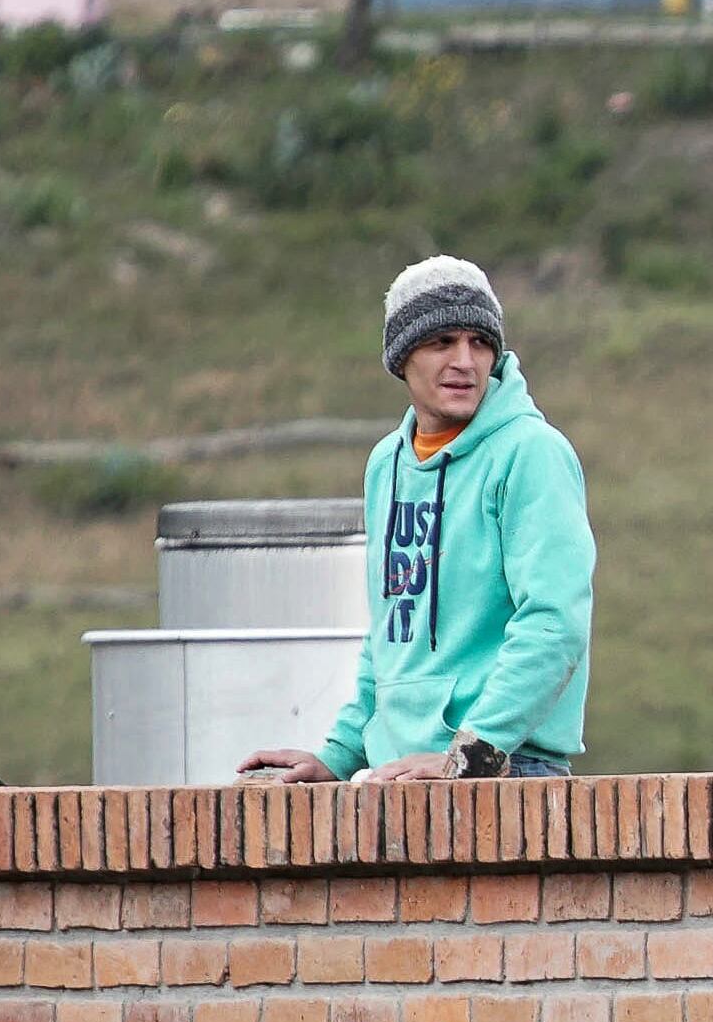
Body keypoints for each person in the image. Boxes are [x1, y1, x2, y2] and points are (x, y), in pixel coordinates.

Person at [244, 254, 596, 784]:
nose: (466, 361)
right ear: (402, 356)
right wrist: (338, 756)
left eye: (480, 343)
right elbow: (391, 632)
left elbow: (555, 623)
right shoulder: (386, 464)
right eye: (442, 343)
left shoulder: (532, 453)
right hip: (402, 773)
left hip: (506, 769)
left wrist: (472, 755)